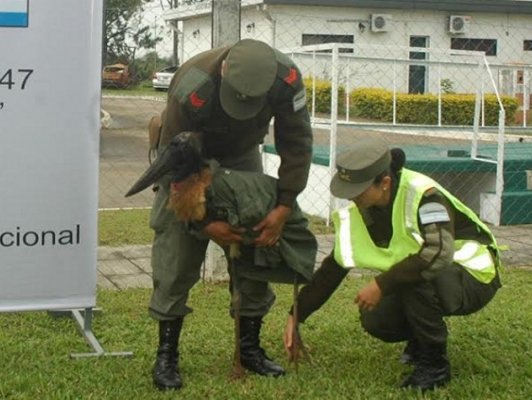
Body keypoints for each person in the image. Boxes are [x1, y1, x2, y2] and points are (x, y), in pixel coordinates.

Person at [141, 38, 313, 390]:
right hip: (186, 154)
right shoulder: (193, 86)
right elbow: (178, 160)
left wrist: (282, 206)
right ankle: (167, 355)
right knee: (176, 251)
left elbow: (296, 142)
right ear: (223, 70)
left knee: (255, 243)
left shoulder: (288, 79)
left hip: (242, 154)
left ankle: (248, 348)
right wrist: (205, 222)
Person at [283, 138, 501, 391]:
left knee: (410, 278)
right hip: (432, 277)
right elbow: (333, 268)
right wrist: (296, 314)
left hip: (474, 273)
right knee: (375, 317)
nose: (351, 198)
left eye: (357, 191)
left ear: (384, 183)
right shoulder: (363, 209)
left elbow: (438, 253)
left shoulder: (425, 196)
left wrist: (381, 283)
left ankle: (435, 365)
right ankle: (419, 341)